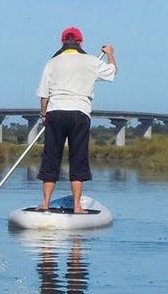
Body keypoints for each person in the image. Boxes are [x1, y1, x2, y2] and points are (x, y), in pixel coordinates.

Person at [36, 26, 117, 213]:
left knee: (51, 157)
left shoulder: (52, 62)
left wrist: (44, 114)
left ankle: (45, 204)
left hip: (55, 113)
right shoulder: (90, 61)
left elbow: (43, 96)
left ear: (62, 42)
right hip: (79, 114)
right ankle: (78, 207)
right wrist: (110, 54)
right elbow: (112, 73)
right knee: (78, 157)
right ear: (81, 43)